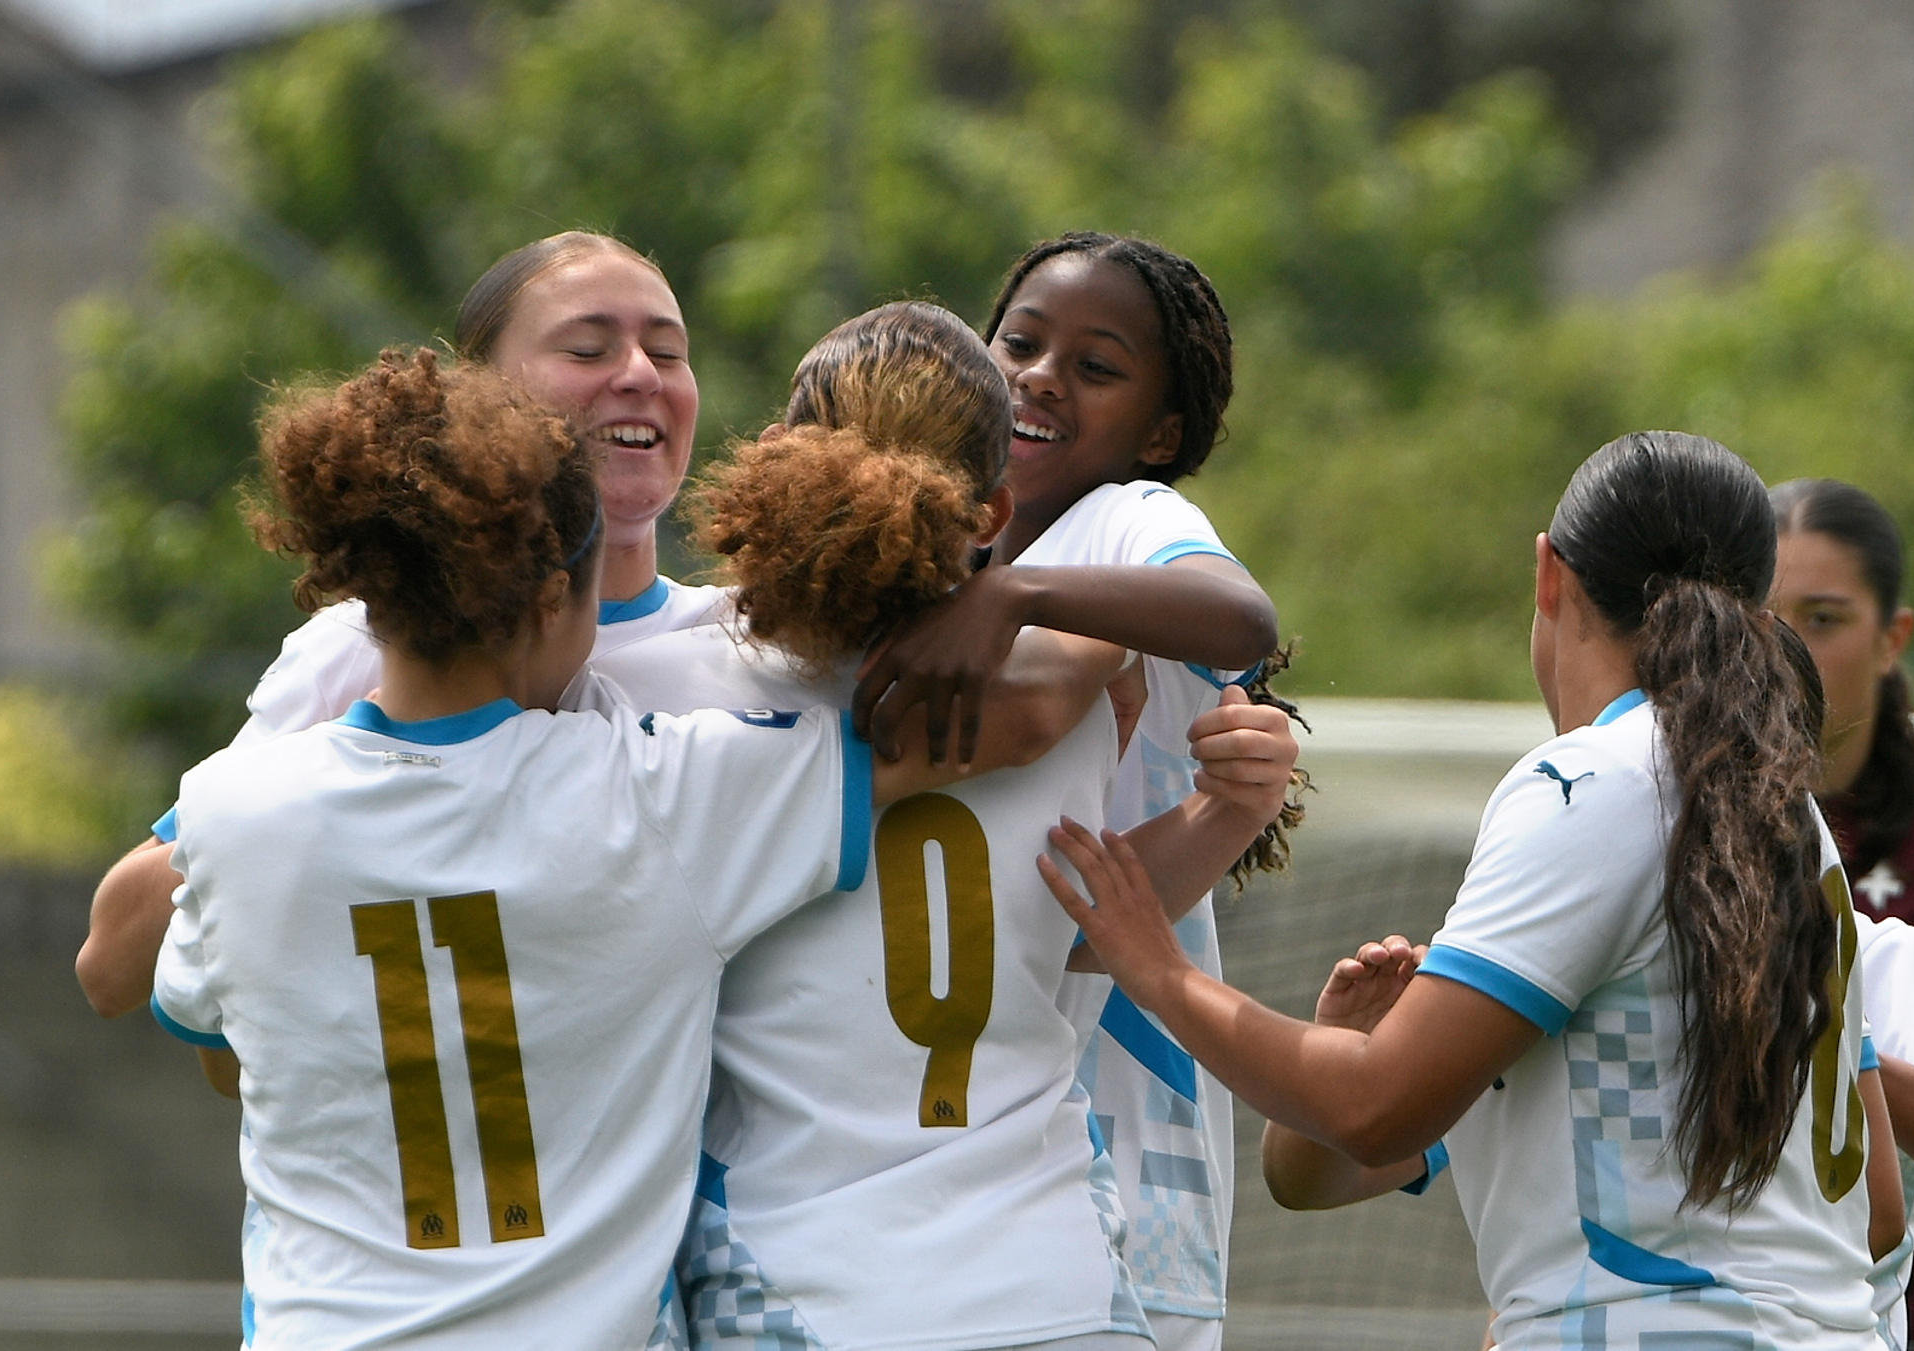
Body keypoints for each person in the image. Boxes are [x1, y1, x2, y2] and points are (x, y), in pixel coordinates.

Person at [150, 347, 942, 1346]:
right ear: (551, 601)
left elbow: (226, 1060)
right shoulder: (662, 791)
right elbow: (981, 729)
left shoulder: (228, 807)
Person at [1043, 432, 1902, 1348]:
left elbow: (1371, 1109)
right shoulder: (1786, 820)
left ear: (1549, 574)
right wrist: (1356, 1045)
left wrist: (1161, 969)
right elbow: (1880, 1205)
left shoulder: (1595, 784)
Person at [605, 300, 1300, 1350]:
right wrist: (1224, 807)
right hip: (1057, 1287)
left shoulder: (654, 691)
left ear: (777, 453)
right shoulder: (1068, 688)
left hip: (796, 1285)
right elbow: (1073, 922)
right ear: (990, 514)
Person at [77, 230, 722, 1018]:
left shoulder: (749, 648)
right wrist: (346, 787)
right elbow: (112, 965)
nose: (640, 374)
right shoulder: (377, 643)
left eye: (668, 352)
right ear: (480, 392)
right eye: (588, 349)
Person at [848, 233, 1280, 1351]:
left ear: (1160, 434)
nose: (1040, 377)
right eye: (1020, 344)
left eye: (1095, 367)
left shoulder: (1124, 519)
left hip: (1121, 1136)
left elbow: (1242, 618)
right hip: (966, 1149)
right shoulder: (942, 557)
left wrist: (1020, 596)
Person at [1771, 478, 1914, 1349]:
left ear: (1892, 637)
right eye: (1759, 619)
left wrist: (1837, 1035)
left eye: (1823, 618)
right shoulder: (1671, 829)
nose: (1785, 651)